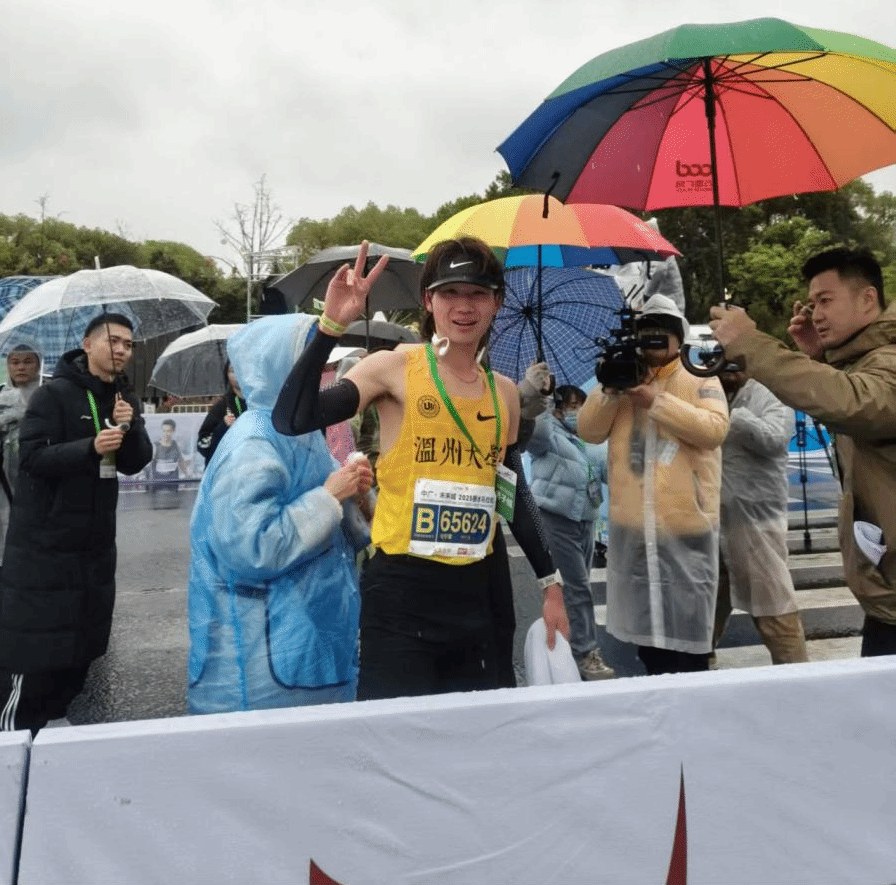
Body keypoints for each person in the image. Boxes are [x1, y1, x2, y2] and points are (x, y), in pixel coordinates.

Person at [272, 238, 569, 701]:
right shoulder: (393, 368)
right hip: (401, 595)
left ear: (497, 302)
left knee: (475, 732)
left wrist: (551, 586)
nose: (463, 307)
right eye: (450, 292)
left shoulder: (505, 393)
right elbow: (292, 419)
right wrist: (330, 327)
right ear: (428, 300)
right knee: (398, 735)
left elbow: (513, 497)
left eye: (477, 293)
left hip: (478, 593)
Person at [710, 247, 896, 657]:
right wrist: (820, 357)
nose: (816, 314)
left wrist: (750, 344)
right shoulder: (869, 361)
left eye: (826, 301)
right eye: (812, 305)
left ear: (868, 298)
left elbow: (853, 403)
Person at [188, 314, 374, 714]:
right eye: (311, 362)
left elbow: (341, 524)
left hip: (307, 644)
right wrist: (329, 496)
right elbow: (250, 548)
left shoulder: (299, 431)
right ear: (277, 367)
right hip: (261, 664)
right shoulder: (253, 442)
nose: (318, 375)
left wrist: (357, 497)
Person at [0, 313, 152, 734]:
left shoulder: (124, 398)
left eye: (128, 344)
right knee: (35, 652)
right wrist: (90, 447)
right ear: (87, 345)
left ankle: (55, 722)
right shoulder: (52, 395)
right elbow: (32, 459)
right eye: (113, 341)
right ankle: (13, 743)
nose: (122, 350)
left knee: (79, 646)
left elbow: (135, 462)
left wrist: (130, 425)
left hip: (95, 548)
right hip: (44, 549)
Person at [578, 294, 729, 675]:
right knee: (649, 646)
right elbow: (589, 431)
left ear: (679, 339)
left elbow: (714, 430)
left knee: (689, 646)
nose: (652, 342)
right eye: (645, 334)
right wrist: (610, 390)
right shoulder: (623, 379)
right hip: (634, 533)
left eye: (661, 334)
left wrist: (655, 401)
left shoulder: (700, 377)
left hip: (686, 531)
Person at [713, 368, 808, 665]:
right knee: (704, 609)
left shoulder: (770, 391)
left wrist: (731, 416)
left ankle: (796, 677)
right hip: (711, 518)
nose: (728, 368)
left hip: (756, 518)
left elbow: (775, 438)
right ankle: (697, 669)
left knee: (774, 606)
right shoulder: (707, 392)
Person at [527, 384, 615, 680]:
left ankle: (564, 648)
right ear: (558, 408)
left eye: (582, 406)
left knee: (575, 587)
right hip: (556, 517)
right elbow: (535, 438)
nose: (577, 412)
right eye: (571, 405)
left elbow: (609, 471)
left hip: (586, 519)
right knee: (578, 587)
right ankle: (586, 652)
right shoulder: (548, 432)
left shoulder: (590, 436)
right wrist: (542, 397)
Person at [0, 344, 42, 560]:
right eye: (15, 362)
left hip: (35, 473)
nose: (21, 367)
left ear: (38, 365)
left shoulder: (48, 394)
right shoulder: (1, 394)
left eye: (28, 362)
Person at [196, 360, 247, 465]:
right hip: (227, 470)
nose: (238, 373)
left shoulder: (260, 404)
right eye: (233, 370)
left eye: (241, 368)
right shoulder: (220, 408)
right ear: (227, 375)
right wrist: (223, 427)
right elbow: (202, 446)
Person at [148, 418, 191, 507]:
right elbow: (147, 464)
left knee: (173, 508)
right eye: (164, 431)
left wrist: (187, 475)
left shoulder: (176, 445)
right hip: (158, 486)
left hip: (173, 485)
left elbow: (180, 461)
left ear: (173, 431)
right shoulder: (155, 446)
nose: (166, 433)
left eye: (169, 431)